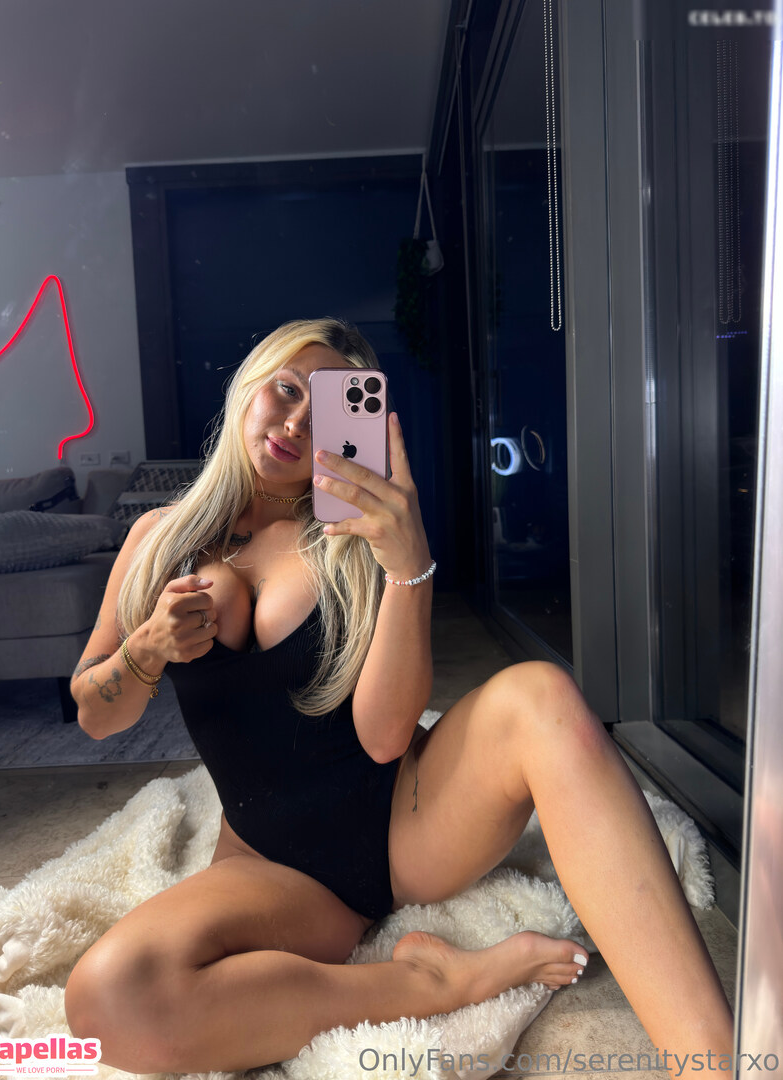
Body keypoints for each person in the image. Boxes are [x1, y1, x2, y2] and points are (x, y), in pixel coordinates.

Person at [64, 318, 732, 1074]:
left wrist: (409, 564)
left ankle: (716, 1062)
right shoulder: (157, 540)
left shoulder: (353, 539)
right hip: (274, 868)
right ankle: (432, 982)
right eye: (286, 390)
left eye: (327, 412)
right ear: (249, 385)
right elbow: (95, 714)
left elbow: (385, 738)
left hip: (407, 828)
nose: (296, 423)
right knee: (109, 997)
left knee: (542, 698)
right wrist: (146, 650)